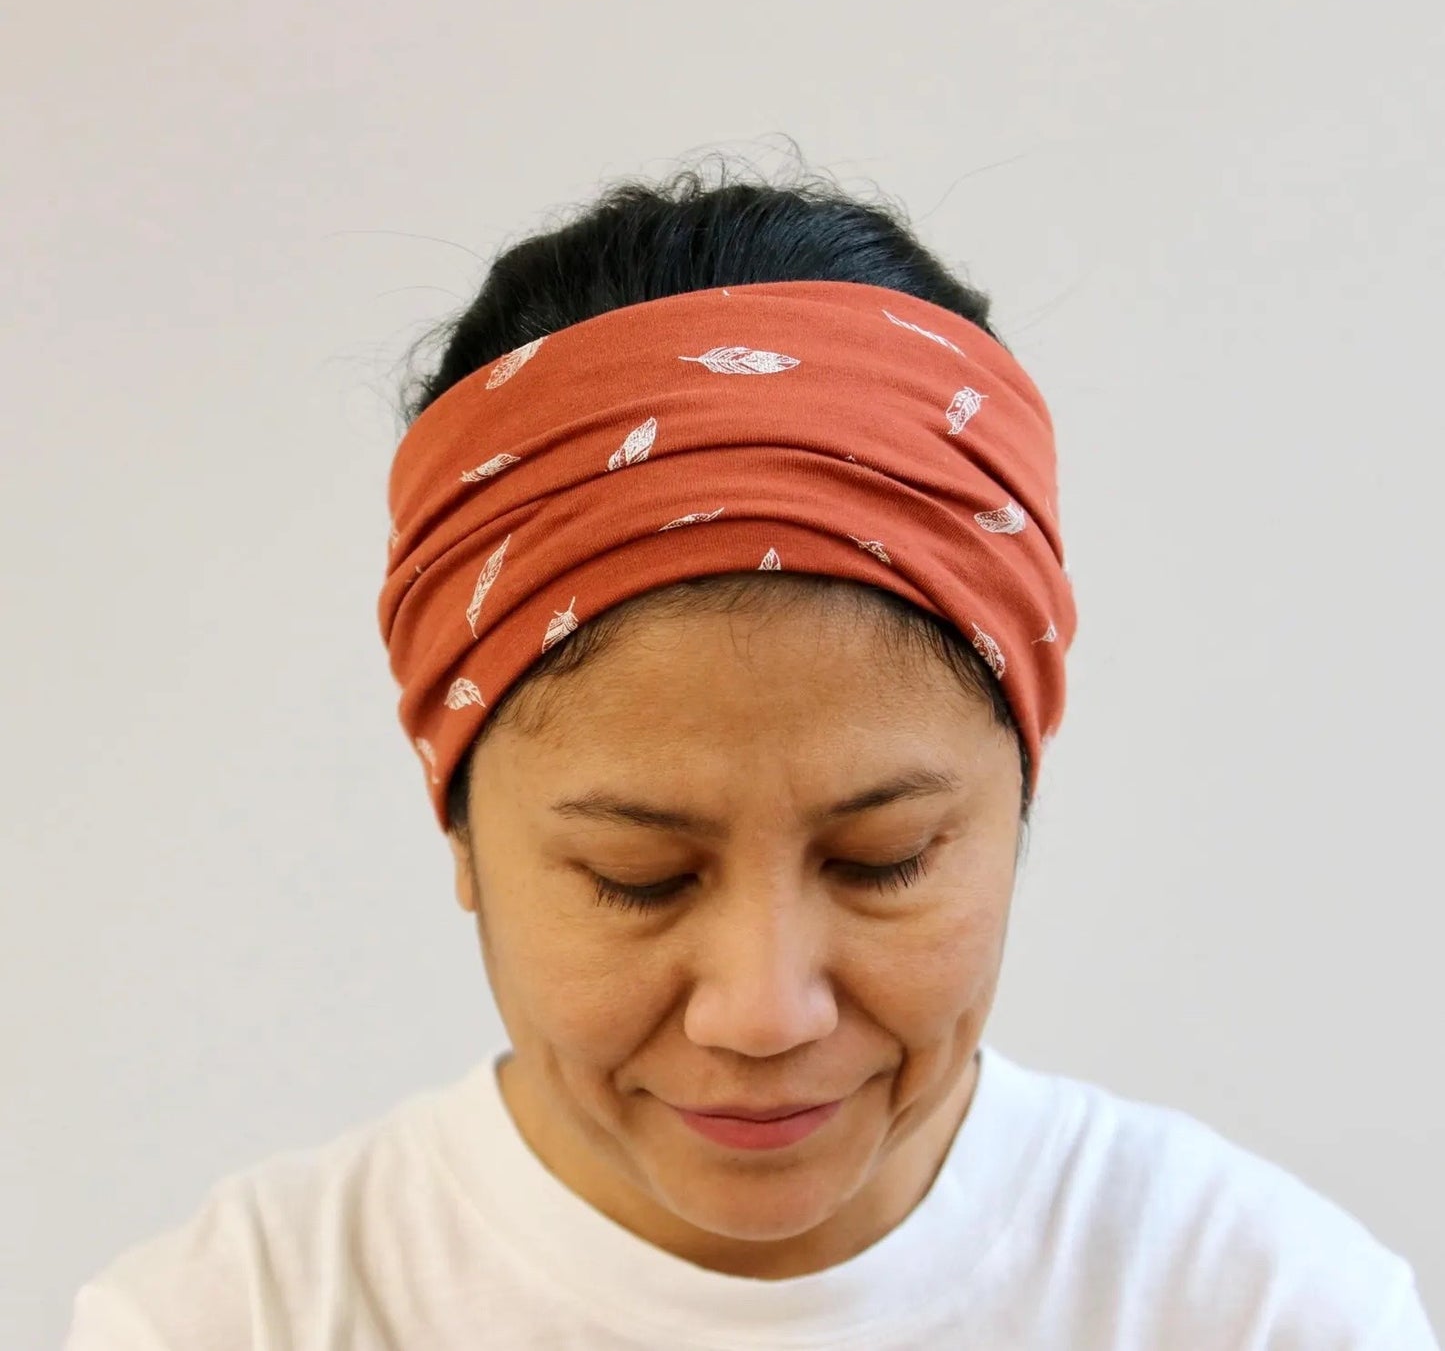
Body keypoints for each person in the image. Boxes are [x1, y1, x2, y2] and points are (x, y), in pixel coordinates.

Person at [65, 162, 1439, 1349]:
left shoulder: (1265, 1313)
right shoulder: (234, 1319)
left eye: (882, 858)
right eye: (636, 874)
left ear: (1018, 793)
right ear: (461, 831)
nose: (762, 1008)